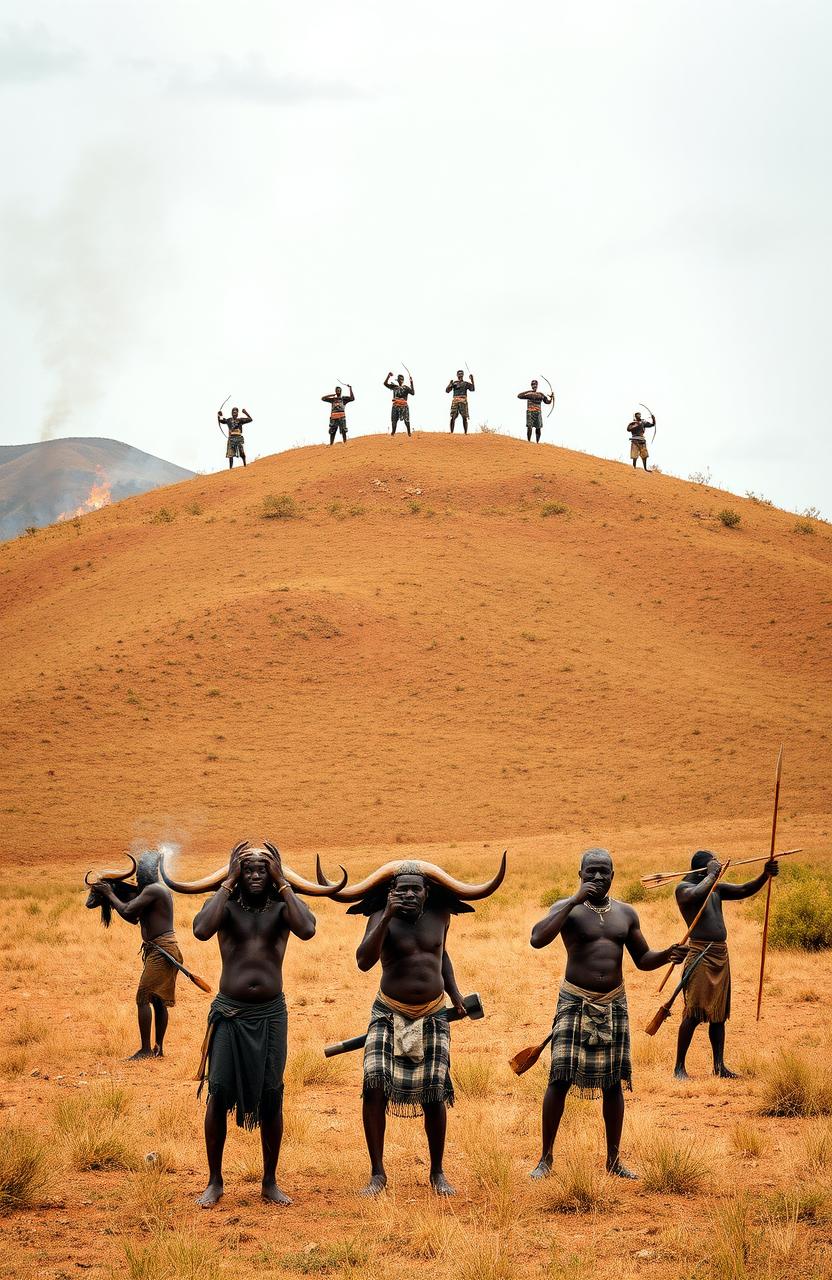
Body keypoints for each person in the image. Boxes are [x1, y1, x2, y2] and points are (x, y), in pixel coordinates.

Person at [323, 854, 506, 1196]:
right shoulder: (380, 916)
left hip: (433, 1013)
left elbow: (442, 954)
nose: (408, 895)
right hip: (388, 1011)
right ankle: (377, 1174)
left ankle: (437, 1173)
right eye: (401, 890)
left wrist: (454, 994)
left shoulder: (441, 915)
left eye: (415, 890)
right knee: (374, 1085)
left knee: (435, 1093)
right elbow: (364, 961)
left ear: (427, 893)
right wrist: (387, 916)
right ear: (391, 892)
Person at [528, 848, 688, 1179]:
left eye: (604, 872)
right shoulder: (566, 909)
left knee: (614, 1083)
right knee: (559, 1078)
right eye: (591, 873)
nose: (598, 878)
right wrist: (573, 900)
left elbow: (643, 959)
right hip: (575, 1000)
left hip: (614, 1002)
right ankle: (545, 1159)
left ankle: (614, 1161)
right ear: (580, 875)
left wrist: (668, 954)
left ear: (614, 876)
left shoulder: (626, 914)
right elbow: (537, 939)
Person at [188, 842, 317, 1208]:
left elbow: (307, 929)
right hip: (230, 1013)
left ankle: (270, 1181)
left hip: (271, 1015)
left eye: (263, 869)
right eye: (249, 870)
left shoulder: (282, 908)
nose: (256, 875)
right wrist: (227, 881)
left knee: (273, 1095)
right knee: (218, 1092)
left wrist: (283, 881)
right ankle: (214, 1181)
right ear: (238, 873)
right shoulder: (225, 906)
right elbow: (200, 929)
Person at [673, 851, 778, 1079]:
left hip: (720, 954)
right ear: (702, 869)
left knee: (719, 1014)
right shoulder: (684, 888)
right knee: (693, 1012)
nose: (719, 866)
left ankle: (719, 1066)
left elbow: (743, 890)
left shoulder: (716, 888)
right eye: (714, 864)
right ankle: (679, 1067)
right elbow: (697, 893)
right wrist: (711, 875)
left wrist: (764, 875)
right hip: (700, 953)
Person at [92, 852, 182, 1060]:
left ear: (149, 871)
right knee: (158, 1000)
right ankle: (158, 1048)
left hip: (162, 950)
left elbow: (127, 909)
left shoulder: (153, 889)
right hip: (161, 949)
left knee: (144, 997)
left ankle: (145, 1050)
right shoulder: (155, 890)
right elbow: (133, 918)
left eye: (142, 870)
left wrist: (109, 893)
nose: (139, 875)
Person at [384, 372, 415, 436]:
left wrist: (411, 382)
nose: (401, 380)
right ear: (398, 380)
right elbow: (385, 383)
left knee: (406, 421)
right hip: (395, 406)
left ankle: (409, 433)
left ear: (403, 380)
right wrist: (388, 376)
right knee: (394, 421)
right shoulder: (394, 387)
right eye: (400, 379)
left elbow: (413, 393)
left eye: (402, 379)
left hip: (404, 406)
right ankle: (393, 433)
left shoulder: (405, 388)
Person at [445, 370, 475, 434]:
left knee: (464, 417)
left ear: (463, 375)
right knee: (453, 416)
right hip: (455, 400)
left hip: (463, 400)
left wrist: (472, 380)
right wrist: (449, 384)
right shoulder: (454, 383)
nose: (460, 375)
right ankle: (451, 432)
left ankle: (465, 433)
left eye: (461, 374)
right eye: (459, 374)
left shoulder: (465, 383)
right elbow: (447, 391)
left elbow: (472, 389)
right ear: (457, 375)